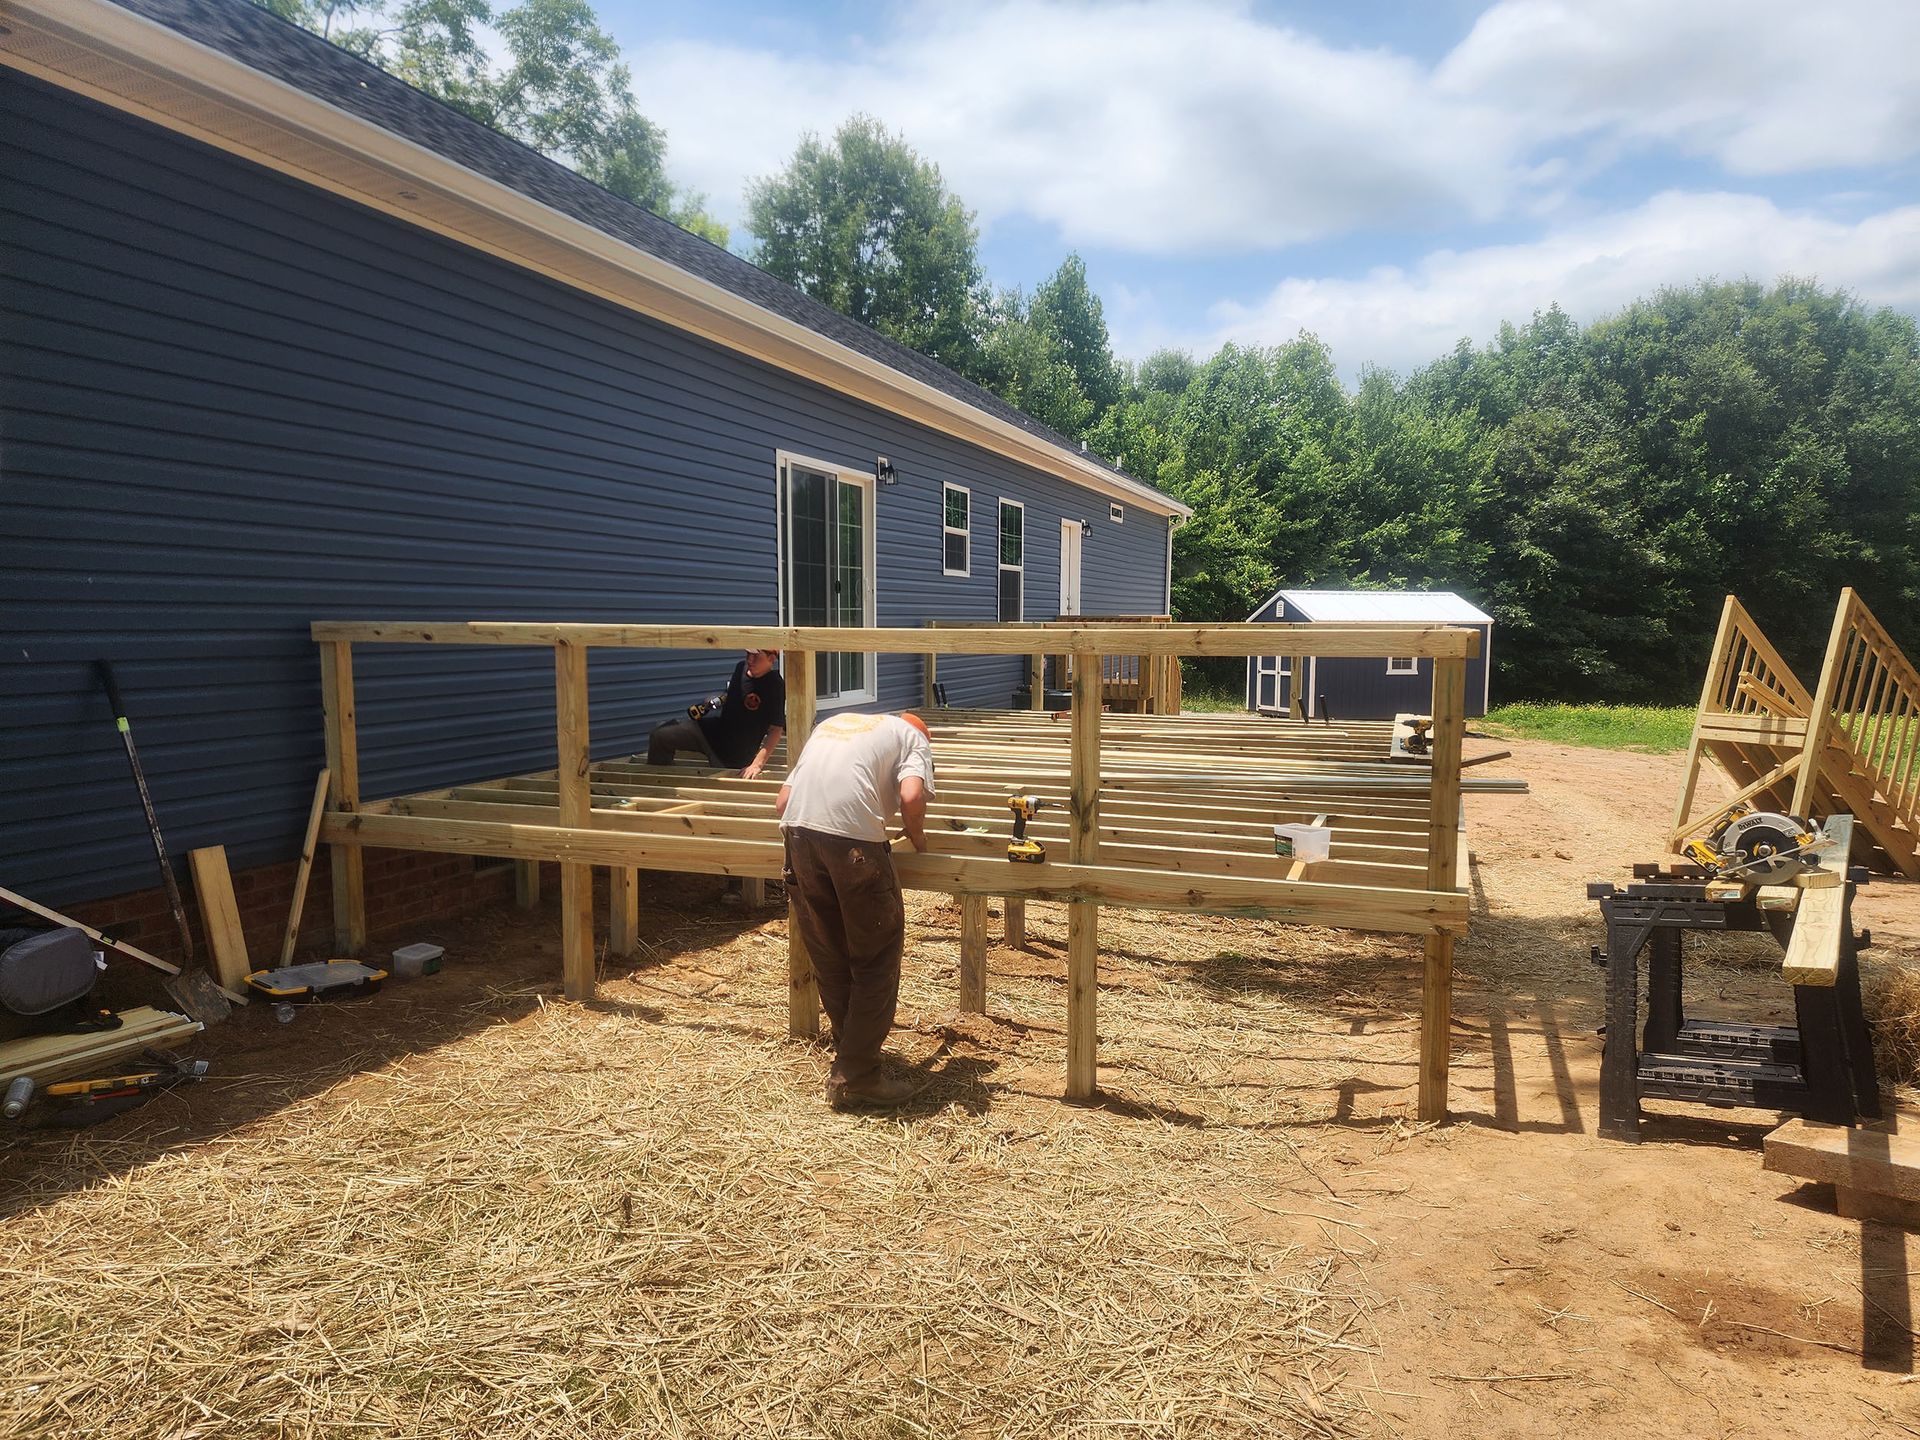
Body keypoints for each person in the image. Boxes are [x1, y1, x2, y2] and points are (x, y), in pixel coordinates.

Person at [776, 711, 935, 1110]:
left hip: (797, 837)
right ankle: (859, 1076)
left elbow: (782, 802)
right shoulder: (913, 739)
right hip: (854, 848)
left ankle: (851, 1053)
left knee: (830, 955)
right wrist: (917, 836)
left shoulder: (834, 724)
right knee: (876, 956)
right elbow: (912, 797)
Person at [647, 648, 787, 781]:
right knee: (660, 734)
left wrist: (757, 764)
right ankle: (658, 780)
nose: (750, 659)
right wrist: (717, 701)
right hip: (713, 733)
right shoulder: (740, 668)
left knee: (718, 785)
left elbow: (776, 729)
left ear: (772, 658)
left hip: (735, 754)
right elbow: (735, 695)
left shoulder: (775, 685)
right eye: (748, 654)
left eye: (756, 656)